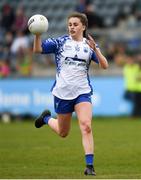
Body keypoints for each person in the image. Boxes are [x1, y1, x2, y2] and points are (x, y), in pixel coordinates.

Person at [32, 12, 108, 176]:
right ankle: (46, 118)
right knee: (63, 132)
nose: (72, 27)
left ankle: (90, 166)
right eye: (70, 24)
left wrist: (97, 50)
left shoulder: (89, 45)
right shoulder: (60, 42)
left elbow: (105, 65)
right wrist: (37, 35)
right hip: (62, 93)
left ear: (83, 26)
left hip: (83, 92)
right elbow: (37, 49)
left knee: (86, 126)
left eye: (75, 24)